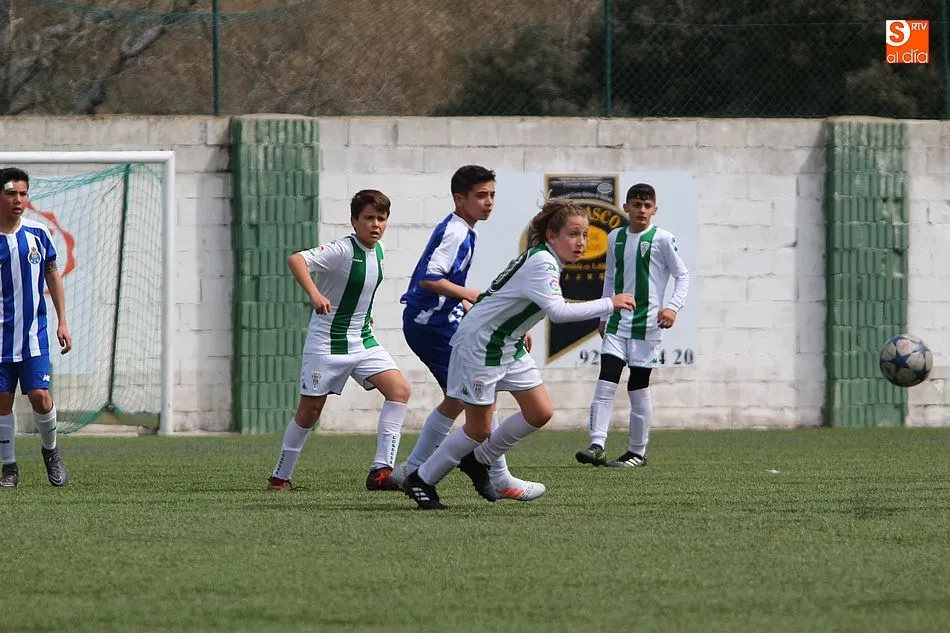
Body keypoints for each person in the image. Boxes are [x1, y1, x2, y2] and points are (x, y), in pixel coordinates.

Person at [402, 198, 635, 510]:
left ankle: (479, 460)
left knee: (539, 412)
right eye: (573, 234)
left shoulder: (545, 258)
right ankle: (422, 478)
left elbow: (506, 297)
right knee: (478, 428)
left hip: (507, 342)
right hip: (482, 345)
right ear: (552, 236)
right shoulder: (543, 262)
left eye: (585, 235)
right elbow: (558, 312)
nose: (581, 242)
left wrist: (518, 325)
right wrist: (610, 303)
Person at [393, 165, 544, 501]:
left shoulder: (463, 229)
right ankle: (498, 478)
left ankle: (409, 471)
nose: (489, 202)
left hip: (434, 321)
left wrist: (467, 305)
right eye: (480, 196)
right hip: (431, 325)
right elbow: (429, 278)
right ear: (459, 199)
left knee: (460, 398)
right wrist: (472, 296)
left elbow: (443, 282)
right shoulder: (456, 232)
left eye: (492, 195)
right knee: (478, 394)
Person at [266, 189, 411, 492]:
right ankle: (280, 476)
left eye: (381, 218)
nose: (376, 224)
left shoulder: (380, 251)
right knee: (310, 412)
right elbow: (296, 260)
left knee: (399, 390)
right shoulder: (342, 250)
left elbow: (361, 290)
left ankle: (381, 472)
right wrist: (315, 294)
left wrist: (366, 315)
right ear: (354, 221)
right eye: (369, 218)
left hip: (362, 339)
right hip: (327, 343)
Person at [574, 183, 689, 468]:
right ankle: (596, 445)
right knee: (606, 380)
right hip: (617, 323)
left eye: (647, 205)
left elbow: (682, 275)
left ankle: (637, 451)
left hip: (647, 326)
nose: (642, 210)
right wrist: (604, 314)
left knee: (637, 387)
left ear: (655, 209)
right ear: (626, 207)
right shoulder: (615, 237)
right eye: (636, 205)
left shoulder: (663, 239)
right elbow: (610, 278)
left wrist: (672, 307)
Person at [0, 167, 72, 488]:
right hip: (1, 340)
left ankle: (51, 452)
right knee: (2, 401)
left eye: (23, 193)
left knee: (40, 395)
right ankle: (9, 468)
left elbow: (52, 274)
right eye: (11, 193)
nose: (19, 200)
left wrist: (62, 321)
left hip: (34, 335)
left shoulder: (38, 234)